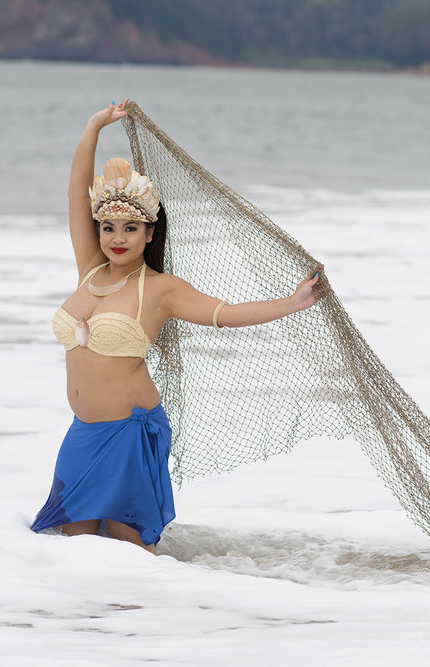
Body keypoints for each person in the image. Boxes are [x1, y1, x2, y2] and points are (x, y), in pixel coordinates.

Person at [30, 99, 322, 553]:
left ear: (150, 232)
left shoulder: (160, 289)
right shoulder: (90, 269)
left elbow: (224, 314)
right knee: (73, 546)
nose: (117, 238)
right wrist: (92, 128)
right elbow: (75, 193)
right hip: (82, 432)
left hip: (129, 432)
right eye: (108, 227)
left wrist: (292, 302)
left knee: (130, 549)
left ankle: (153, 621)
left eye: (130, 228)